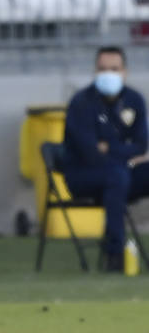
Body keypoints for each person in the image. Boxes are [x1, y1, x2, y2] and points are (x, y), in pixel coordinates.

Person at [60, 45, 149, 272]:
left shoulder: (134, 100)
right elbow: (90, 151)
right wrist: (124, 151)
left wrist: (109, 147)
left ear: (125, 71)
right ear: (94, 71)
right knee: (116, 176)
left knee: (121, 176)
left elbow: (141, 145)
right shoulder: (81, 103)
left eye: (114, 68)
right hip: (83, 175)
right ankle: (115, 255)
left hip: (120, 173)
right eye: (102, 69)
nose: (108, 74)